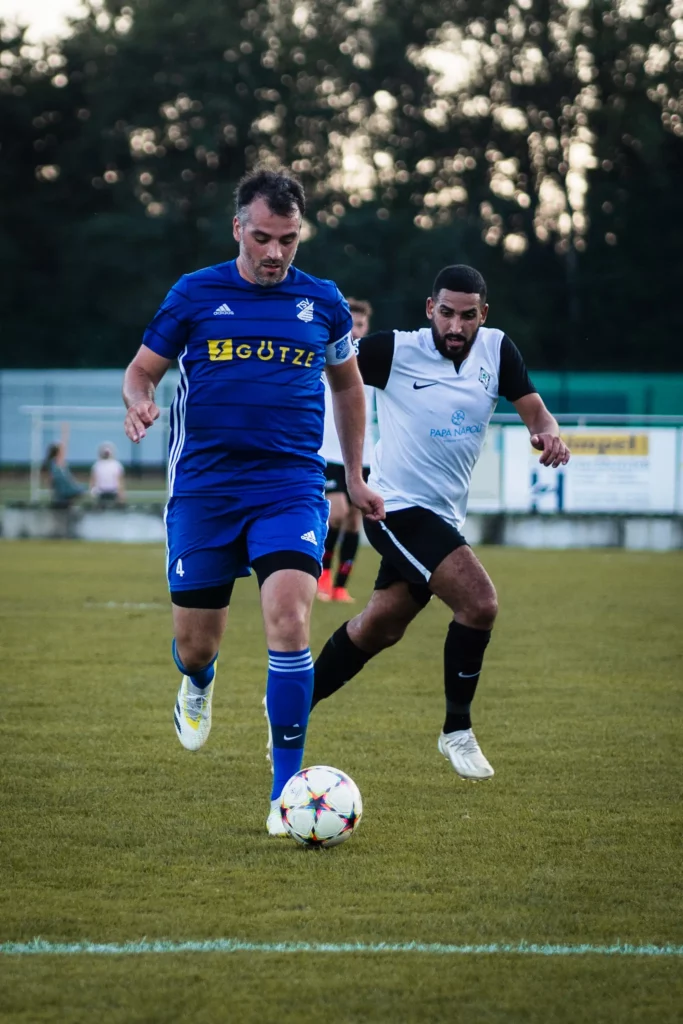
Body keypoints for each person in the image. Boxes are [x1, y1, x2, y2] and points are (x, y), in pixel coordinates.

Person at [122, 167, 384, 836]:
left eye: (288, 240)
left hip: (289, 485)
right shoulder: (194, 292)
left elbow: (348, 386)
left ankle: (283, 795)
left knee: (290, 622)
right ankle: (197, 683)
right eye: (263, 237)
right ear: (238, 227)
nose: (275, 253)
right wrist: (139, 401)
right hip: (205, 489)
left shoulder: (323, 302)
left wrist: (354, 476)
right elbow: (142, 370)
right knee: (197, 645)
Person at [311, 264, 570, 780]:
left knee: (379, 628)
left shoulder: (497, 351)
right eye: (446, 313)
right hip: (393, 507)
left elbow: (535, 410)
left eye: (467, 316)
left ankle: (290, 707)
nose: (456, 326)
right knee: (480, 602)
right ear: (430, 308)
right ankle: (457, 730)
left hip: (445, 517)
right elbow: (329, 374)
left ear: (483, 314)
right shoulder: (394, 350)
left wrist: (549, 432)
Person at [318, 298, 376, 603]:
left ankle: (340, 586)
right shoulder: (327, 354)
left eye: (361, 324)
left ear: (367, 327)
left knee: (355, 519)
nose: (355, 330)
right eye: (351, 323)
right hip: (329, 450)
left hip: (362, 453)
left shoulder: (374, 361)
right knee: (336, 513)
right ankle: (323, 573)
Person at [43, 423, 86, 508]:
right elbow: (64, 446)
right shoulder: (58, 461)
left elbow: (50, 480)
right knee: (82, 488)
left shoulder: (51, 463)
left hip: (60, 491)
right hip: (65, 490)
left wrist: (52, 491)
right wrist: (65, 432)